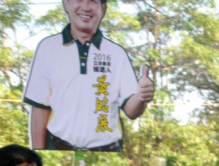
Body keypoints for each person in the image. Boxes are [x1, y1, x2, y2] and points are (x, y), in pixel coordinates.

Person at [23, 0, 154, 151]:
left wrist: (141, 97)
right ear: (66, 4)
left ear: (103, 9)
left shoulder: (116, 53)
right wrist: (38, 154)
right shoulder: (48, 47)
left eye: (92, 1)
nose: (85, 7)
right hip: (58, 149)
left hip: (107, 152)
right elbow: (40, 107)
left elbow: (131, 111)